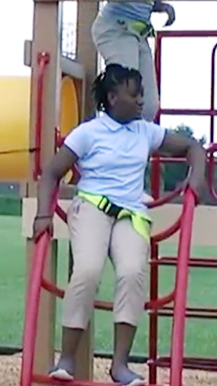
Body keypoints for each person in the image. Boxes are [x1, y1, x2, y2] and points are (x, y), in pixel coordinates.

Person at [32, 64, 206, 386]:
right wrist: (44, 214)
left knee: (132, 272)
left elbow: (193, 147)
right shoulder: (88, 133)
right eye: (134, 94)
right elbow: (52, 172)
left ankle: (120, 365)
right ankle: (67, 357)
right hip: (94, 206)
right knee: (87, 269)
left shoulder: (145, 131)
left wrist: (195, 177)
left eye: (141, 94)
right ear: (112, 97)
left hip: (131, 211)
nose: (141, 101)